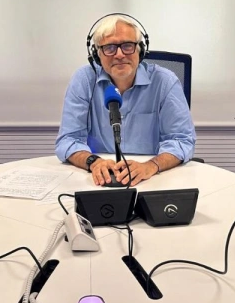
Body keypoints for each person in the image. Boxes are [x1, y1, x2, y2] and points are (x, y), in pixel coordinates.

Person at [55, 14, 196, 186]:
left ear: (140, 50)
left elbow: (182, 140)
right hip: (99, 179)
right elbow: (68, 139)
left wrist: (151, 166)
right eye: (109, 48)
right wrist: (94, 162)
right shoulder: (84, 80)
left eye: (127, 46)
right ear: (97, 55)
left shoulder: (165, 82)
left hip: (152, 179)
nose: (120, 54)